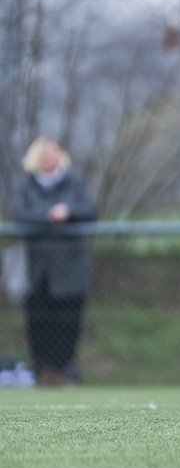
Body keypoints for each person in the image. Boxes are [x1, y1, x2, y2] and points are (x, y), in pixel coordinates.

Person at [11, 137, 97, 386]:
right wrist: (46, 216)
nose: (52, 157)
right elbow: (20, 214)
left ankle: (63, 368)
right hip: (37, 266)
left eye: (56, 153)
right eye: (47, 154)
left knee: (68, 318)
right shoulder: (27, 185)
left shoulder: (73, 183)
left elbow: (90, 210)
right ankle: (42, 369)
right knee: (38, 319)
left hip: (69, 266)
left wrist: (67, 212)